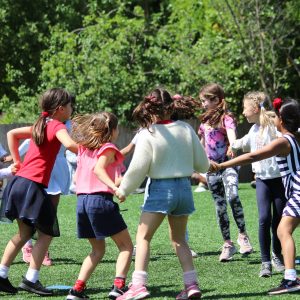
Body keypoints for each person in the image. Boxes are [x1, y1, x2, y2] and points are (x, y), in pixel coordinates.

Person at [115, 88, 209, 300]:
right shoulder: (186, 128)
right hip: (185, 189)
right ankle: (191, 285)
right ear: (171, 107)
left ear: (149, 108)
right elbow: (202, 163)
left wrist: (123, 190)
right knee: (179, 240)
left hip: (160, 189)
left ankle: (138, 286)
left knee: (144, 237)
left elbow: (138, 168)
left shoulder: (147, 133)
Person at [210, 98, 300, 295]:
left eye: (276, 116)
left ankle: (291, 279)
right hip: (295, 192)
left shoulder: (283, 142)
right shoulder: (294, 138)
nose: (273, 118)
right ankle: (290, 274)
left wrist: (221, 165)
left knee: (283, 231)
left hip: (298, 193)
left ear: (282, 121)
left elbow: (254, 156)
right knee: (283, 230)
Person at [0, 88, 77, 296]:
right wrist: (95, 149)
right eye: (70, 106)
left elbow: (11, 134)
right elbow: (70, 145)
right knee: (46, 233)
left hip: (18, 184)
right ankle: (31, 279)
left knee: (24, 234)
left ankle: (2, 274)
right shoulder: (57, 125)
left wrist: (17, 161)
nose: (72, 109)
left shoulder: (41, 124)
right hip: (32, 186)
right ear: (60, 109)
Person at [66, 112, 133, 300]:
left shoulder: (82, 148)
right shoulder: (108, 147)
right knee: (126, 246)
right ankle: (118, 287)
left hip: (82, 203)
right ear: (112, 131)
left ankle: (77, 290)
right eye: (117, 128)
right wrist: (114, 188)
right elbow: (98, 170)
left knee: (97, 250)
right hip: (99, 201)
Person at [230, 92, 286, 277]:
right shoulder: (253, 130)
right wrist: (234, 145)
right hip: (262, 181)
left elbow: (287, 137)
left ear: (255, 109)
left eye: (245, 108)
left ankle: (277, 256)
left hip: (279, 181)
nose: (243, 112)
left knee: (278, 220)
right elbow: (244, 142)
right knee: (264, 219)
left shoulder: (273, 127)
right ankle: (265, 262)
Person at [198, 83, 253, 262]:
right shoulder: (204, 122)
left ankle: (243, 235)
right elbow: (201, 144)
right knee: (220, 206)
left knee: (233, 196)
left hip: (228, 165)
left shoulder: (226, 118)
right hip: (211, 169)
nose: (203, 104)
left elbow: (232, 137)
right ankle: (228, 244)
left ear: (215, 100)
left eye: (205, 100)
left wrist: (233, 146)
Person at [19, 123, 71, 266]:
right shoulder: (45, 124)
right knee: (31, 210)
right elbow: (29, 139)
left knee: (50, 213)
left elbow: (75, 143)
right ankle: (28, 245)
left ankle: (42, 250)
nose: (71, 109)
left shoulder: (68, 125)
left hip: (58, 168)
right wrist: (15, 156)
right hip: (41, 167)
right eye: (68, 106)